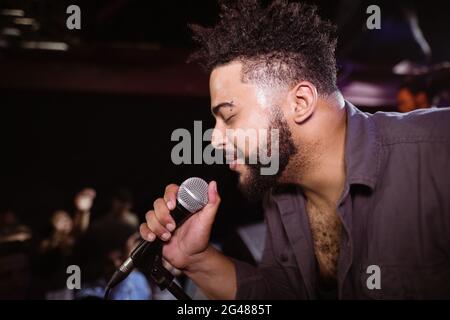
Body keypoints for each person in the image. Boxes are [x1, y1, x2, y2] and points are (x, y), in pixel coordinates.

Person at [140, 0, 450, 299]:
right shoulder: (282, 192)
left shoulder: (437, 151)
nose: (215, 140)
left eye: (229, 116)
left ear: (300, 103)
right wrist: (196, 259)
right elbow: (286, 293)